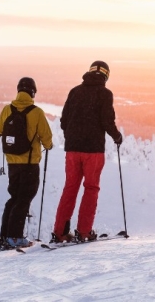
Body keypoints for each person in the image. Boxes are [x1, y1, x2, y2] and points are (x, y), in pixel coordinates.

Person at [52, 61, 123, 242]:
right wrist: (117, 137)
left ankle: (60, 233)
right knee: (91, 189)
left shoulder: (75, 91)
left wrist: (73, 135)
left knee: (70, 188)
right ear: (106, 76)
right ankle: (84, 232)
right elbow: (107, 121)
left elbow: (63, 121)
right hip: (93, 150)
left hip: (73, 149)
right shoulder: (105, 94)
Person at [0, 77, 53, 248]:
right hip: (29, 163)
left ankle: (5, 235)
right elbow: (46, 137)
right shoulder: (36, 112)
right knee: (24, 198)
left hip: (12, 162)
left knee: (14, 197)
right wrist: (48, 146)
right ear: (33, 92)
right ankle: (15, 237)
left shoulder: (7, 109)